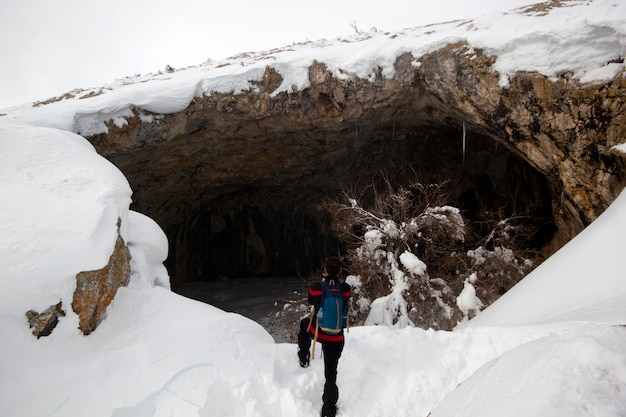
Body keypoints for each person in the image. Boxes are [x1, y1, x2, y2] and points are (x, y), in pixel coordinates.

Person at [297, 256, 352, 417]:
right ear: (340, 271)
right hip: (336, 338)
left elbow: (310, 300)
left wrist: (323, 283)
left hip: (318, 332)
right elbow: (346, 300)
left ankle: (304, 355)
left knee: (303, 325)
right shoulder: (346, 288)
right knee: (331, 373)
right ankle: (329, 409)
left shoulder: (317, 287)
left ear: (325, 270)